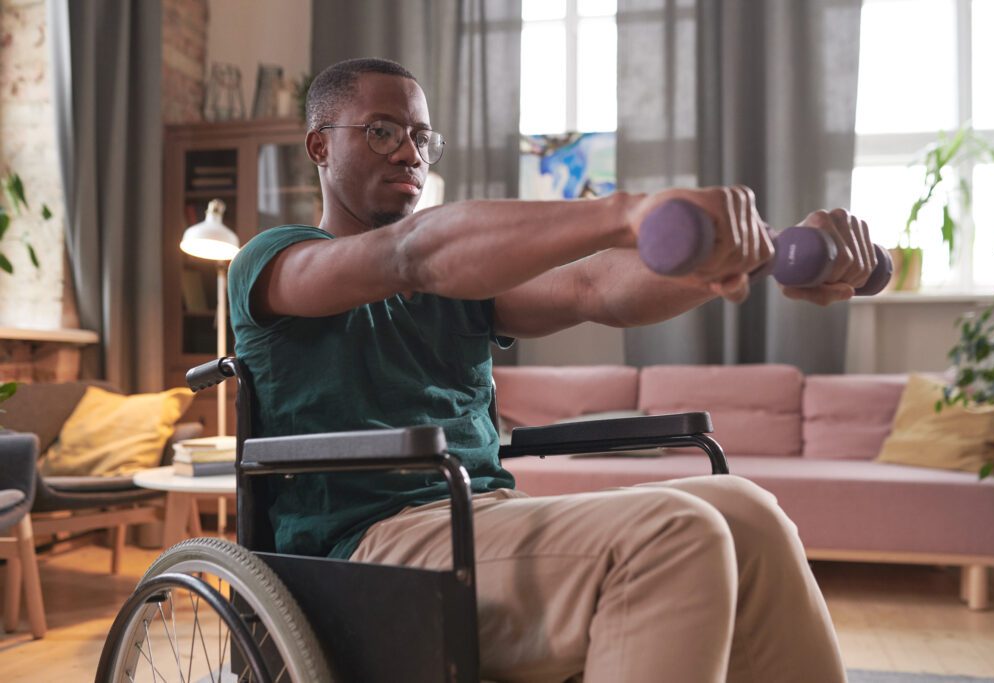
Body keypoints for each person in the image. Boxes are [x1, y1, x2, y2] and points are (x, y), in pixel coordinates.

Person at [229, 57, 875, 683]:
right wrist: (624, 214)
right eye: (382, 132)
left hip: (481, 516)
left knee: (746, 509)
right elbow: (411, 253)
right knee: (676, 534)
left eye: (423, 137)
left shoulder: (458, 284)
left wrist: (762, 255)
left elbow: (593, 287)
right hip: (364, 550)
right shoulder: (275, 261)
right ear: (319, 146)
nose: (410, 153)